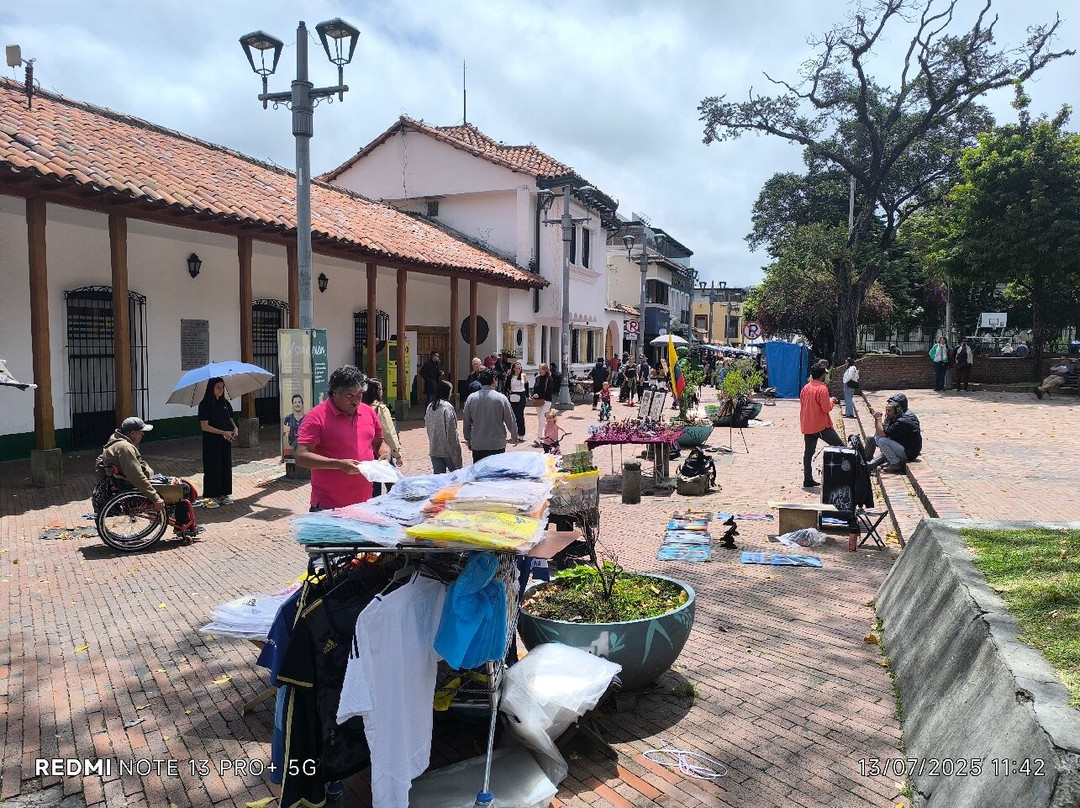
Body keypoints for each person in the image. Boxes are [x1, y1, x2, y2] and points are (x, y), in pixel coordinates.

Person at [295, 365, 385, 511]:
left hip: (365, 502)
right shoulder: (316, 416)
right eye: (349, 396)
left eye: (359, 395)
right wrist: (339, 464)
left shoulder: (368, 412)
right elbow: (301, 457)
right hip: (329, 506)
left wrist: (384, 454)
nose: (356, 401)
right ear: (334, 393)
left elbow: (378, 442)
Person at [95, 417, 196, 536]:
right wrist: (155, 497)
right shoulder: (125, 448)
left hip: (123, 482)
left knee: (181, 484)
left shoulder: (115, 441)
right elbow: (136, 477)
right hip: (132, 485)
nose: (143, 434)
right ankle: (183, 526)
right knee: (183, 487)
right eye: (141, 432)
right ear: (132, 433)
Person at [799, 360, 842, 487]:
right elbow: (826, 408)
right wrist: (832, 401)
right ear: (823, 375)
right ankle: (840, 474)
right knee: (840, 447)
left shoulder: (806, 387)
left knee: (808, 453)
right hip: (821, 426)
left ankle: (807, 478)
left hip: (808, 424)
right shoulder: (822, 389)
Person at [462, 368, 518, 463]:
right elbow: (510, 420)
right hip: (497, 444)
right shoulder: (501, 398)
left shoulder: (471, 398)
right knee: (496, 475)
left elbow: (466, 422)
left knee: (480, 474)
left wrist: (468, 439)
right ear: (494, 380)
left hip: (478, 443)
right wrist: (514, 436)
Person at [198, 377, 238, 508]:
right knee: (212, 467)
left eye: (222, 387)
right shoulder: (205, 404)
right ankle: (211, 496)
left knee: (225, 466)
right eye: (217, 387)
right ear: (211, 388)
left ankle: (224, 494)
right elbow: (204, 426)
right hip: (211, 441)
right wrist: (222, 432)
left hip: (225, 440)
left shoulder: (225, 403)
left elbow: (230, 418)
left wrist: (235, 428)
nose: (221, 390)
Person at [362, 379, 402, 497]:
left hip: (369, 452)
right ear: (377, 391)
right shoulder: (380, 408)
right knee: (393, 485)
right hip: (383, 452)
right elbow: (388, 432)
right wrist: (397, 454)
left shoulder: (362, 407)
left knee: (375, 487)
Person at [865, 393, 922, 472]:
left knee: (882, 441)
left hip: (908, 451)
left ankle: (895, 464)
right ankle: (865, 462)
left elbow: (883, 433)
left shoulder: (904, 419)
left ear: (898, 408)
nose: (887, 412)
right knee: (872, 438)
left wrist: (878, 419)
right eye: (887, 410)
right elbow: (880, 432)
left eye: (889, 410)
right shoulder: (894, 416)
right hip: (899, 444)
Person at [425, 380, 463, 473]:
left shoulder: (430, 406)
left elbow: (427, 426)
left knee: (439, 480)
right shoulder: (447, 407)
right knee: (456, 478)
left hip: (434, 448)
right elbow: (452, 432)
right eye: (450, 391)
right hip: (448, 450)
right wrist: (456, 450)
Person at [503, 359, 530, 440]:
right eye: (516, 368)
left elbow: (526, 386)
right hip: (513, 395)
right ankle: (514, 432)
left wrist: (527, 395)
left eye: (519, 368)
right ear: (513, 368)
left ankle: (521, 433)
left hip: (521, 395)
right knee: (513, 415)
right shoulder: (510, 376)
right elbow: (506, 387)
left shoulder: (523, 376)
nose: (518, 370)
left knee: (519, 415)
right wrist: (507, 395)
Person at [530, 362, 555, 447]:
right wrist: (533, 395)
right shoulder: (537, 378)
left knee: (542, 419)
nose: (540, 371)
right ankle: (547, 438)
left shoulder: (549, 379)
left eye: (541, 369)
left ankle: (539, 438)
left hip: (546, 401)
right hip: (538, 402)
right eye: (539, 369)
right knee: (541, 421)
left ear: (545, 370)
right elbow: (535, 388)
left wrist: (539, 395)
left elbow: (549, 391)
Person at [281, 393, 305, 464]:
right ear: (292, 405)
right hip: (291, 448)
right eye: (295, 402)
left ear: (302, 404)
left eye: (299, 402)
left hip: (303, 449)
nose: (297, 404)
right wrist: (285, 431)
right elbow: (283, 434)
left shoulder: (307, 418)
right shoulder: (288, 418)